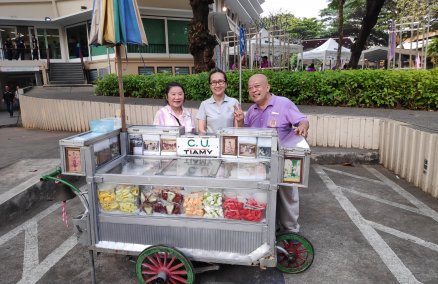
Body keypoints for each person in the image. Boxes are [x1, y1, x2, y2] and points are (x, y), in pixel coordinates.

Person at [234, 74, 309, 234]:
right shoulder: (252, 111)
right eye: (250, 88)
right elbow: (246, 135)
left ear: (267, 87)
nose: (254, 90)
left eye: (257, 86)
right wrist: (240, 122)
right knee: (264, 196)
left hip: (284, 159)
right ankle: (269, 230)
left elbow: (302, 120)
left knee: (287, 196)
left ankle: (290, 231)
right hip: (261, 163)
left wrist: (303, 126)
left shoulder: (283, 103)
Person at [196, 68, 240, 134]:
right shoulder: (204, 104)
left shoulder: (234, 102)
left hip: (229, 142)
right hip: (211, 142)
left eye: (220, 81)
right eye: (214, 82)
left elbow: (237, 129)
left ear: (226, 84)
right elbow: (201, 129)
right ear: (210, 86)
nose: (217, 85)